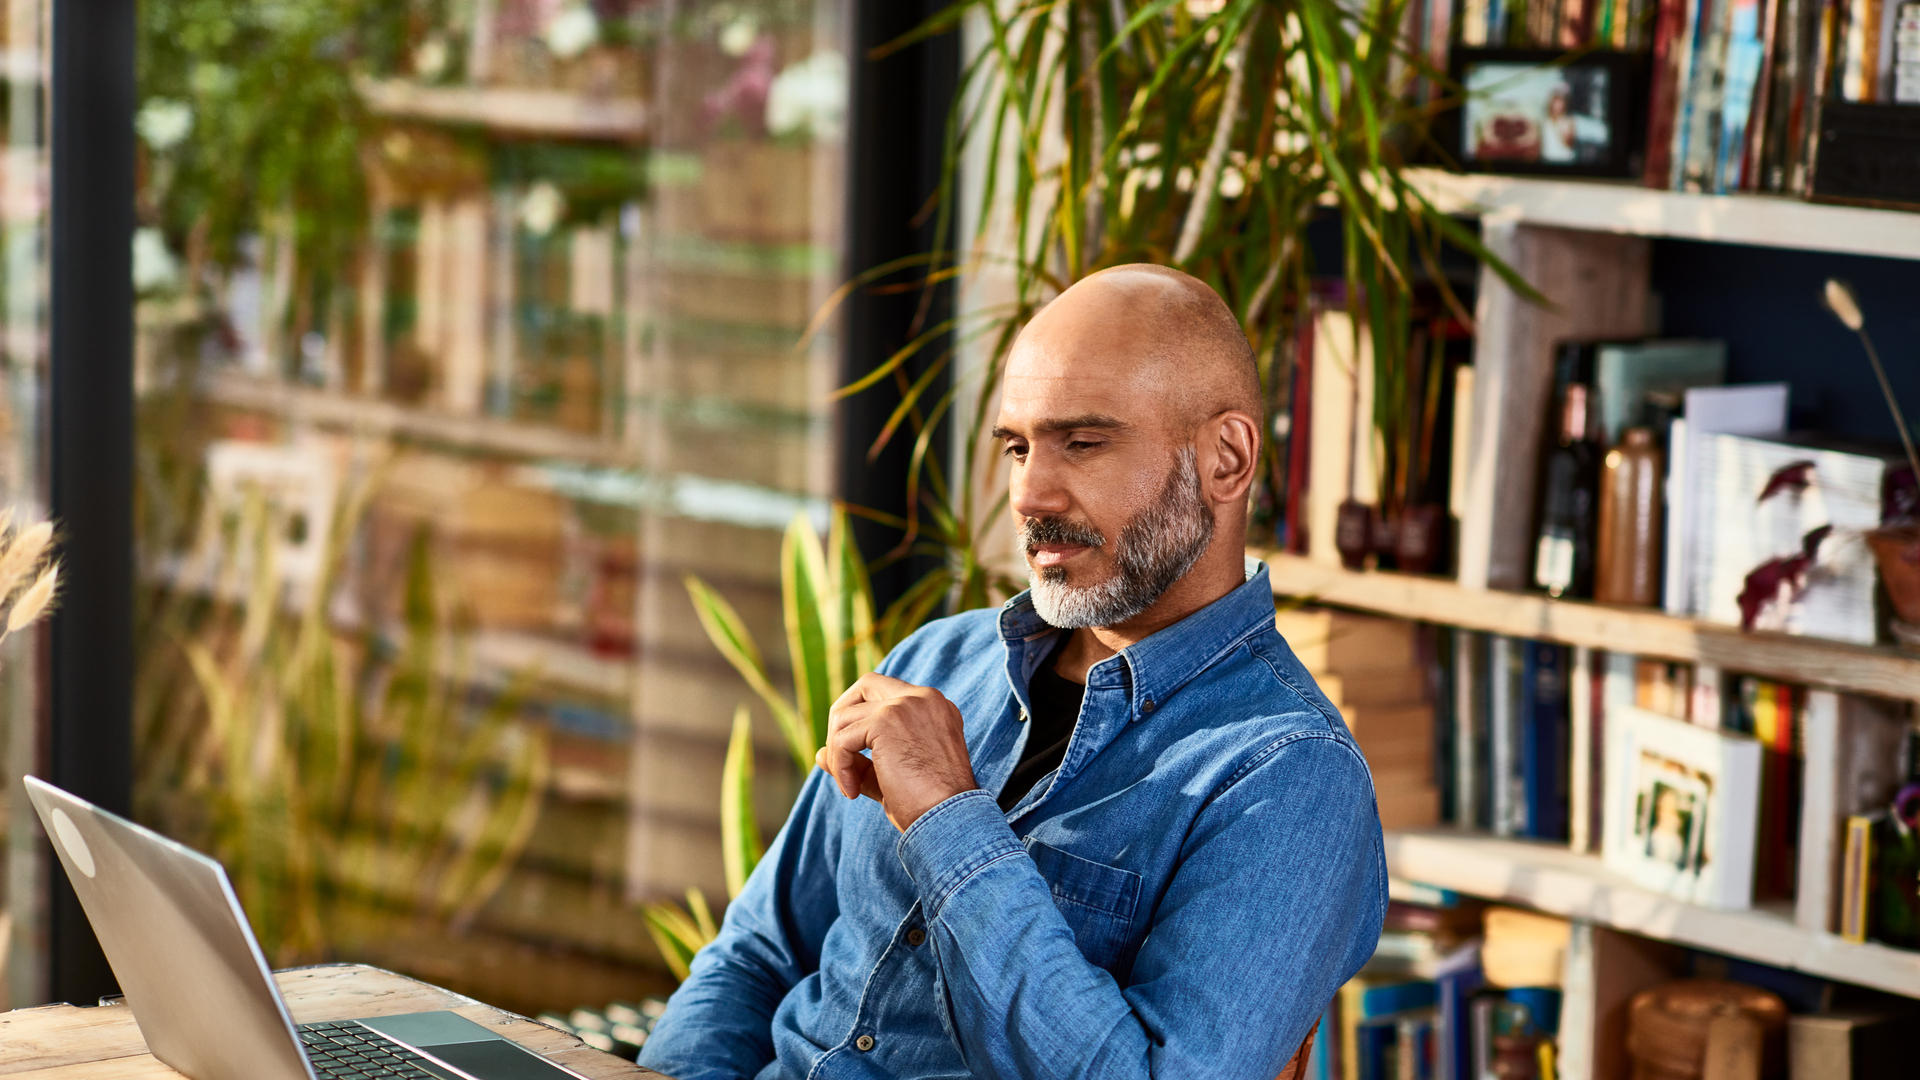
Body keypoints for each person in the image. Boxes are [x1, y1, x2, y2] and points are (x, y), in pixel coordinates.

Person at [638, 264, 1387, 1080]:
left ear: (1227, 460)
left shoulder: (1289, 776)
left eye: (1084, 442)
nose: (1029, 492)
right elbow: (754, 957)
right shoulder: (933, 661)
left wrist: (949, 817)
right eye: (1018, 446)